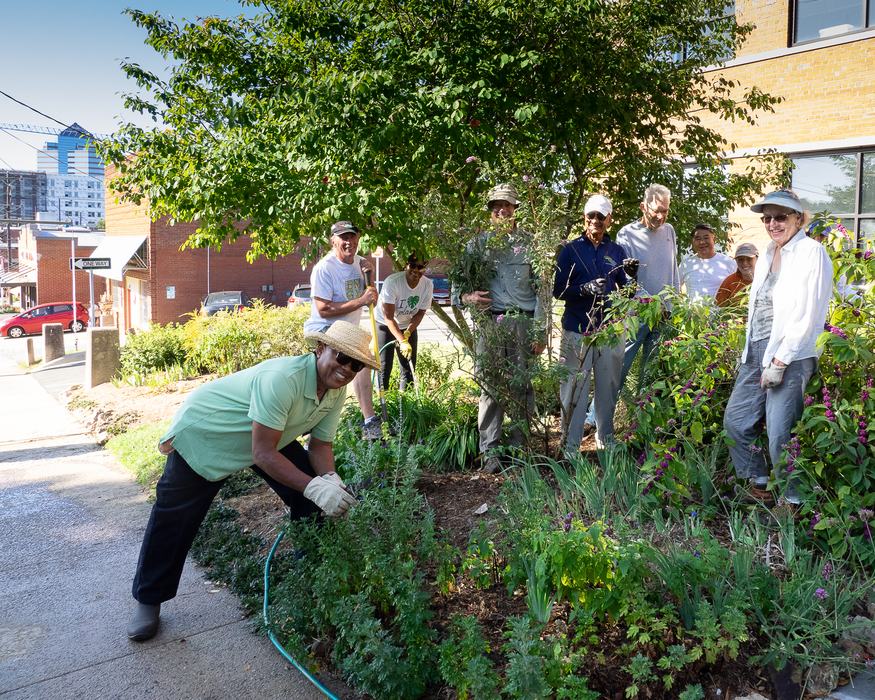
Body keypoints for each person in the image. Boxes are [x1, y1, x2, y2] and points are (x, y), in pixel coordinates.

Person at [126, 321, 379, 642]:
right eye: (341, 357)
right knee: (174, 519)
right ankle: (148, 600)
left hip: (269, 433)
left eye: (355, 365)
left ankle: (314, 576)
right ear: (320, 349)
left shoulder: (335, 390)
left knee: (310, 498)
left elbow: (320, 445)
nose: (346, 369)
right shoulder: (283, 380)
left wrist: (328, 479)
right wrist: (314, 486)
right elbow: (262, 453)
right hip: (209, 432)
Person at [723, 189, 833, 504]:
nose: (773, 223)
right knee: (736, 421)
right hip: (756, 351)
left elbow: (807, 312)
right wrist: (752, 354)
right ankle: (759, 482)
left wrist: (781, 361)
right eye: (767, 217)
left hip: (791, 354)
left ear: (798, 219)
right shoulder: (769, 251)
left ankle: (794, 501)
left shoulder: (811, 252)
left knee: (780, 432)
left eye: (780, 217)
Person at [459, 183, 547, 474]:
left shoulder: (531, 245)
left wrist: (540, 330)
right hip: (489, 324)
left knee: (522, 386)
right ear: (490, 211)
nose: (501, 209)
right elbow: (458, 291)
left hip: (523, 322)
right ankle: (491, 452)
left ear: (515, 209)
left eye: (507, 204)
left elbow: (542, 291)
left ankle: (520, 449)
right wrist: (469, 298)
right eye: (496, 205)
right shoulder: (476, 246)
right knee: (490, 387)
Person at [553, 194, 637, 453]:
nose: (595, 221)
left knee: (608, 386)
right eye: (591, 216)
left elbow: (628, 293)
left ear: (609, 220)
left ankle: (606, 440)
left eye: (601, 216)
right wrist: (584, 289)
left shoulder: (617, 251)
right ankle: (569, 446)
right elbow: (558, 290)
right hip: (578, 329)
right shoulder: (570, 250)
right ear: (584, 218)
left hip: (610, 330)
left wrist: (633, 278)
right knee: (574, 388)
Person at [303, 221, 381, 439]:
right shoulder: (324, 269)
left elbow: (367, 292)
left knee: (361, 362)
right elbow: (324, 309)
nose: (349, 242)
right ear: (333, 241)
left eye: (352, 237)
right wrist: (361, 301)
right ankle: (311, 432)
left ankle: (370, 424)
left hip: (347, 333)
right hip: (325, 332)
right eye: (343, 238)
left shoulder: (360, 263)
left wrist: (370, 280)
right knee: (326, 384)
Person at [615, 184, 680, 388]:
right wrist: (652, 303)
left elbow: (672, 270)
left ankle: (639, 418)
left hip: (664, 316)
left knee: (651, 374)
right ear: (643, 207)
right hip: (637, 315)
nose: (661, 217)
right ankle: (595, 417)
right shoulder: (626, 235)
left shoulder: (669, 231)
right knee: (619, 367)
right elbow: (626, 279)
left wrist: (674, 304)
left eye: (665, 211)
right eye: (656, 211)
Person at [374, 252, 433, 391]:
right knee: (383, 366)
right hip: (384, 324)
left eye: (420, 267)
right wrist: (401, 340)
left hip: (407, 326)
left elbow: (420, 313)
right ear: (406, 265)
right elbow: (388, 317)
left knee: (408, 367)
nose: (416, 271)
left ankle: (404, 403)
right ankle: (382, 404)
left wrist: (407, 333)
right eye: (413, 266)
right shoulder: (392, 282)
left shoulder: (427, 285)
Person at [679, 223, 736, 302]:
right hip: (693, 313)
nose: (702, 242)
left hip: (721, 313)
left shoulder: (728, 262)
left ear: (714, 239)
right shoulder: (686, 264)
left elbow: (738, 288)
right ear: (693, 242)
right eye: (698, 239)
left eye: (706, 238)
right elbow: (675, 288)